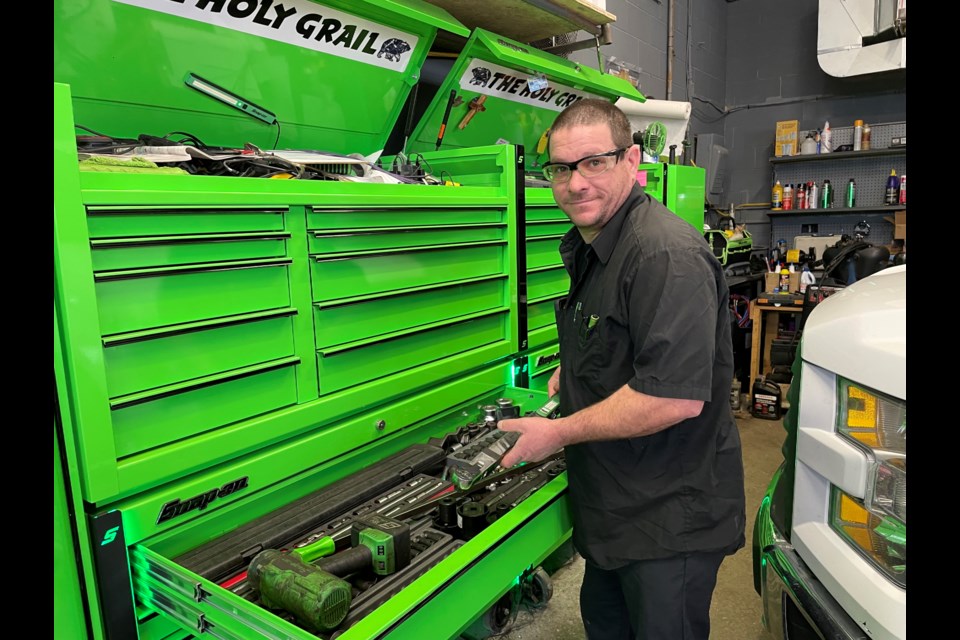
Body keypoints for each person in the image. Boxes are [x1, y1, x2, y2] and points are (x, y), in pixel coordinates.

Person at [498, 98, 745, 640]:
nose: (575, 183)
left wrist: (556, 433)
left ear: (632, 161)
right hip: (615, 507)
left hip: (667, 520)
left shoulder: (663, 254)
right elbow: (618, 329)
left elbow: (672, 397)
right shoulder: (596, 245)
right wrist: (578, 364)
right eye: (561, 168)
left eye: (594, 162)